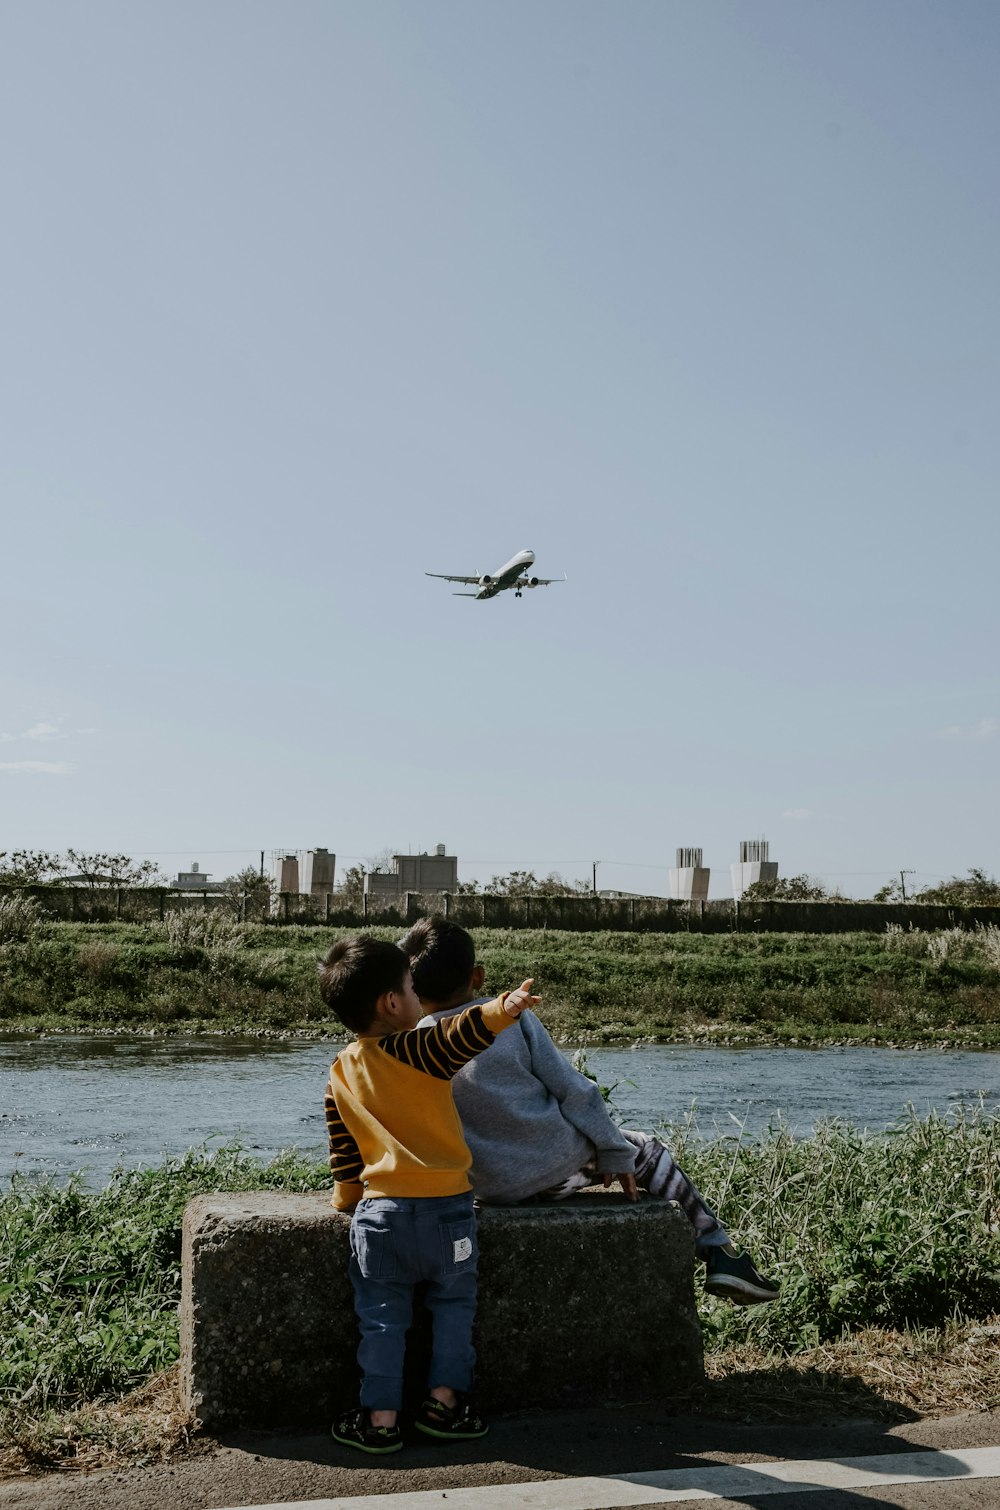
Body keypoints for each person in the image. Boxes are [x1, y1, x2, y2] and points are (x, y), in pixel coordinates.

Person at [399, 916, 779, 1307]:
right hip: (557, 1170)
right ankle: (721, 1253)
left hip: (492, 1188)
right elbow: (575, 1091)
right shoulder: (511, 1020)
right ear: (477, 977)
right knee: (648, 1150)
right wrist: (615, 1150)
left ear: (410, 990)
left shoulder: (413, 1045)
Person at [319, 935, 539, 1455]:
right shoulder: (418, 1048)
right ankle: (444, 1405)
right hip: (449, 1214)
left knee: (380, 1315)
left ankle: (380, 1420)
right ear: (392, 1004)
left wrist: (346, 1200)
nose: (419, 999)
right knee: (455, 1304)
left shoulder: (340, 1071)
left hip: (380, 1217)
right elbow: (463, 1034)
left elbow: (345, 1155)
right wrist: (503, 1008)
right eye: (412, 988)